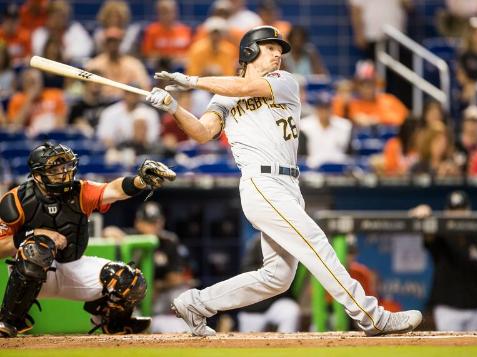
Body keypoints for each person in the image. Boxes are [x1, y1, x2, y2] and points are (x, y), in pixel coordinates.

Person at [145, 25, 422, 336]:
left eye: (280, 49)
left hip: (289, 185)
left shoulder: (284, 81)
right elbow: (202, 132)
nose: (278, 53)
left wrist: (192, 81)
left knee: (277, 277)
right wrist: (174, 108)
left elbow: (243, 88)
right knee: (316, 243)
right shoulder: (224, 97)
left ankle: (197, 303)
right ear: (249, 51)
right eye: (270, 47)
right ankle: (372, 317)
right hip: (261, 183)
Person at [0, 142, 176, 337]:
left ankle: (114, 323)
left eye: (65, 166)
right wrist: (32, 234)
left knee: (130, 279)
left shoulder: (80, 190)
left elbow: (113, 190)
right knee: (37, 248)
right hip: (32, 274)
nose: (63, 172)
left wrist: (140, 181)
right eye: (55, 169)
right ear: (37, 175)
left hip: (73, 266)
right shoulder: (17, 200)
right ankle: (8, 321)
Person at [103, 201, 194, 333]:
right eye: (148, 222)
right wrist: (127, 241)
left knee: (183, 293)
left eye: (156, 222)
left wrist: (156, 286)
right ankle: (136, 324)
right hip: (135, 297)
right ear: (138, 222)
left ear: (161, 222)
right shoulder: (132, 237)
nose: (153, 227)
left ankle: (191, 327)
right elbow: (108, 231)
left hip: (160, 294)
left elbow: (176, 277)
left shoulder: (168, 241)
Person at [410, 191, 477, 331]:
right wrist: (426, 216)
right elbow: (430, 236)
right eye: (454, 210)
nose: (458, 215)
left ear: (468, 211)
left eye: (461, 210)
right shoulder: (442, 236)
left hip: (475, 307)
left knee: (473, 351)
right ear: (447, 212)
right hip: (447, 308)